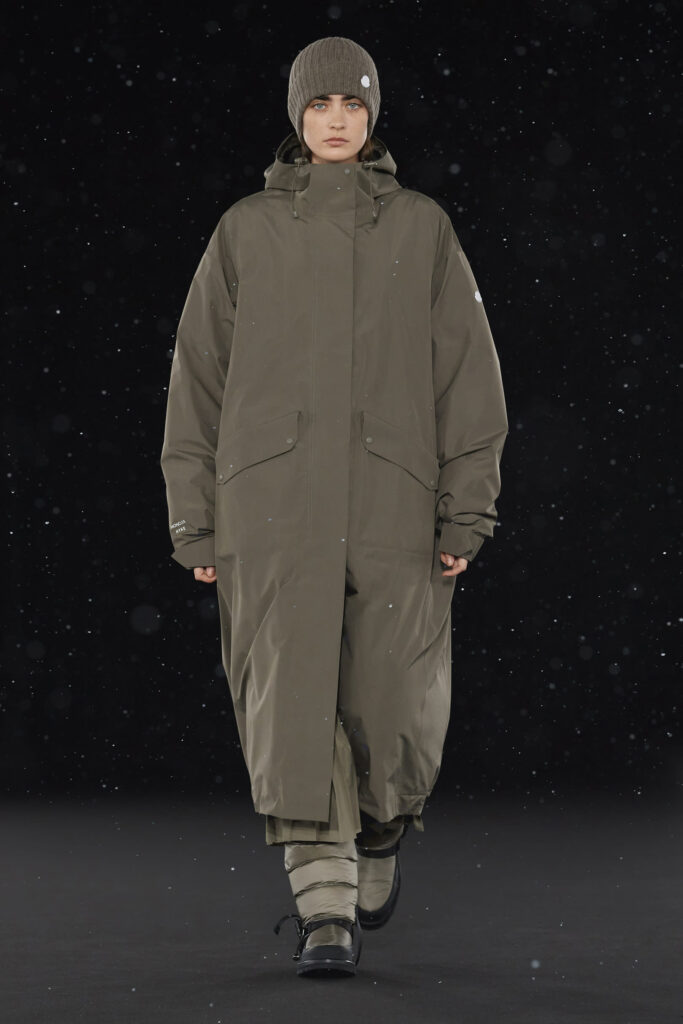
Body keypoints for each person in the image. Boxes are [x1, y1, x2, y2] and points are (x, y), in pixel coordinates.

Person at [160, 35, 508, 978]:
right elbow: (197, 381)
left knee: (392, 702)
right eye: (319, 105)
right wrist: (194, 514)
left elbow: (468, 379)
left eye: (352, 103)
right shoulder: (244, 231)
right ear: (296, 116)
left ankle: (382, 827)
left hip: (395, 498)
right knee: (294, 700)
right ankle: (324, 911)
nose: (336, 120)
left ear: (373, 114)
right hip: (270, 506)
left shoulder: (422, 228)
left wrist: (466, 507)